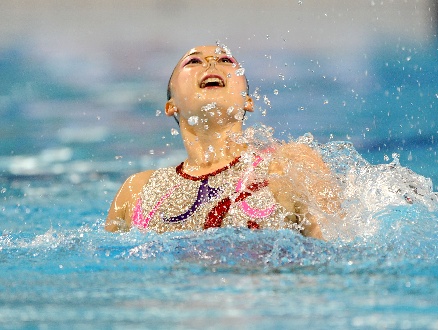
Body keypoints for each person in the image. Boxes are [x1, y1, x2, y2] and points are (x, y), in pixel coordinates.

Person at [105, 45, 343, 240]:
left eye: (226, 60)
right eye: (193, 61)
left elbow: (335, 257)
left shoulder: (288, 164)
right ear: (171, 105)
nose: (211, 63)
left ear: (248, 101)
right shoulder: (136, 190)